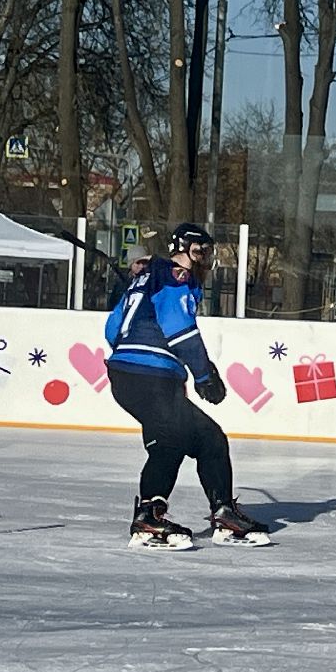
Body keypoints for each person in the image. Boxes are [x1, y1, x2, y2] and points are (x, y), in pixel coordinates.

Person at [104, 222, 269, 550]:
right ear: (182, 249)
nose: (204, 259)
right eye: (200, 252)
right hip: (149, 377)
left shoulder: (146, 277)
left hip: (131, 375)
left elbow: (112, 329)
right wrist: (204, 374)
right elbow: (180, 329)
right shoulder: (177, 278)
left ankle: (223, 512)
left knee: (208, 438)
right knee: (169, 439)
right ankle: (148, 517)